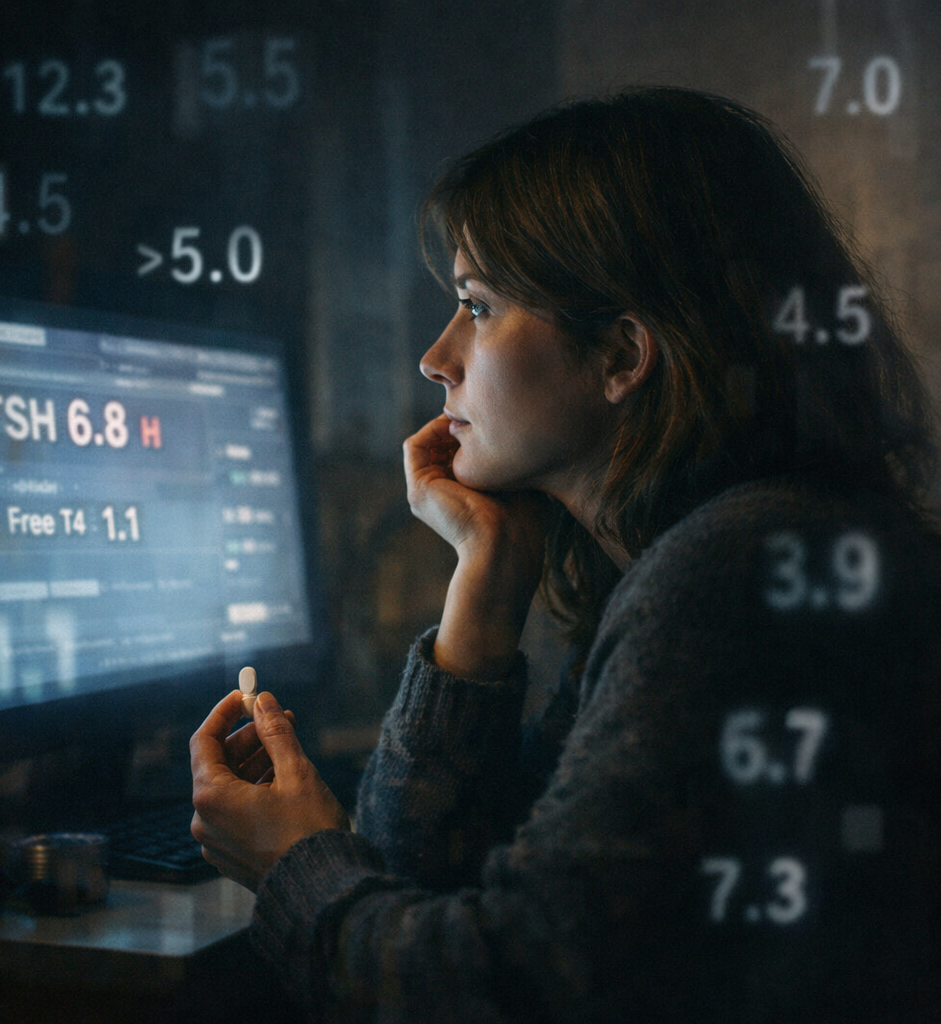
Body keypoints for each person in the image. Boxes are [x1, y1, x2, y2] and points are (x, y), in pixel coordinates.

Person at [190, 89, 941, 1022]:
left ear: (624, 355)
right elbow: (434, 886)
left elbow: (495, 993)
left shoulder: (735, 575)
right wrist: (486, 586)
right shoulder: (730, 548)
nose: (435, 357)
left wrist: (291, 866)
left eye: (478, 305)